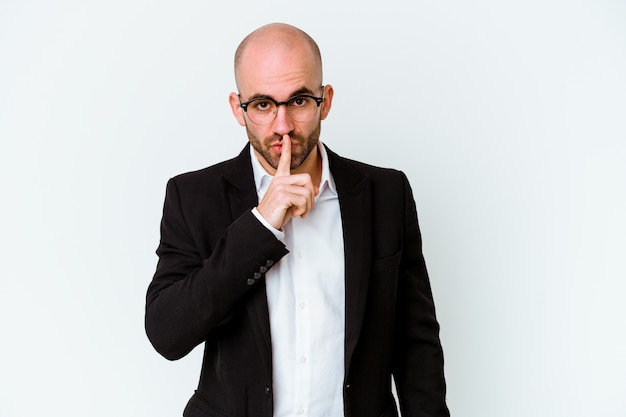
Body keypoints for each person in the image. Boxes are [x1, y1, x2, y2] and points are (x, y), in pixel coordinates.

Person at [145, 22, 450, 417]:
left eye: (300, 101)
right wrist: (261, 225)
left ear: (326, 100)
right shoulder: (193, 196)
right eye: (263, 104)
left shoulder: (386, 193)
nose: (283, 125)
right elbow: (168, 333)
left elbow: (416, 344)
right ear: (238, 109)